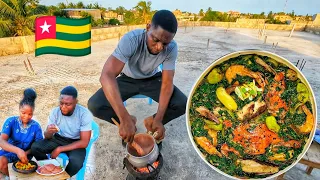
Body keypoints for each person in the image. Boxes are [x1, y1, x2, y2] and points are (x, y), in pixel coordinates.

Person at [87, 10, 187, 144]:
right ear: (148, 27)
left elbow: (167, 83)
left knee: (182, 103)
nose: (159, 47)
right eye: (155, 39)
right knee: (95, 105)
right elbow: (106, 75)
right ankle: (130, 121)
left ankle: (152, 122)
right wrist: (124, 118)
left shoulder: (172, 48)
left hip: (152, 79)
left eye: (165, 43)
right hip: (127, 79)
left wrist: (159, 118)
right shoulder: (131, 39)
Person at [31, 86, 92, 177]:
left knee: (76, 163)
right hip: (58, 139)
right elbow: (47, 137)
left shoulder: (84, 114)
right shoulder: (55, 112)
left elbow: (84, 142)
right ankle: (50, 169)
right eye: (61, 103)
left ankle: (62, 177)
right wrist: (48, 132)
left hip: (76, 142)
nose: (63, 107)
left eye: (68, 104)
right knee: (35, 147)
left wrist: (59, 149)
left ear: (76, 102)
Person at [0, 88, 43, 176]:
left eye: (30, 114)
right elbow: (1, 141)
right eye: (23, 113)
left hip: (24, 157)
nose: (26, 117)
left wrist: (25, 153)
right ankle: (8, 176)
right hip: (7, 152)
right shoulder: (11, 121)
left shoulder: (36, 127)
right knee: (1, 162)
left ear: (33, 113)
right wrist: (18, 151)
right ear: (19, 109)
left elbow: (38, 146)